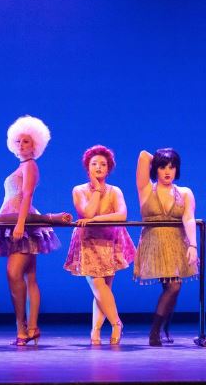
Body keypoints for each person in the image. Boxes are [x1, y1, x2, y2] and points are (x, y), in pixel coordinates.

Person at [0, 116, 62, 346]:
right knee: (30, 277)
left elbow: (27, 195)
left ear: (35, 144)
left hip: (22, 223)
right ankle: (32, 327)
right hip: (14, 222)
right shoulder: (20, 166)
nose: (21, 145)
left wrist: (20, 225)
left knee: (14, 273)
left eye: (26, 141)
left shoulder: (30, 166)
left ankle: (22, 327)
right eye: (18, 141)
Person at [63, 145, 135, 345]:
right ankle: (116, 323)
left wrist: (96, 220)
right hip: (88, 242)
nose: (98, 167)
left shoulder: (115, 191)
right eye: (94, 164)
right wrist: (96, 190)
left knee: (103, 291)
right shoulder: (79, 190)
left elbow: (122, 215)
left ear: (109, 168)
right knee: (97, 284)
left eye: (103, 164)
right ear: (87, 167)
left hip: (109, 240)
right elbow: (87, 213)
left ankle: (95, 330)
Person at [133, 148, 198, 346]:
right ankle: (156, 330)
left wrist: (193, 245)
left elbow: (188, 218)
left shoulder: (184, 192)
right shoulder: (146, 188)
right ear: (156, 169)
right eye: (162, 167)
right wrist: (158, 159)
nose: (168, 171)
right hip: (154, 242)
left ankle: (161, 328)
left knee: (172, 286)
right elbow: (143, 155)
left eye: (172, 166)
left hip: (177, 242)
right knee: (172, 286)